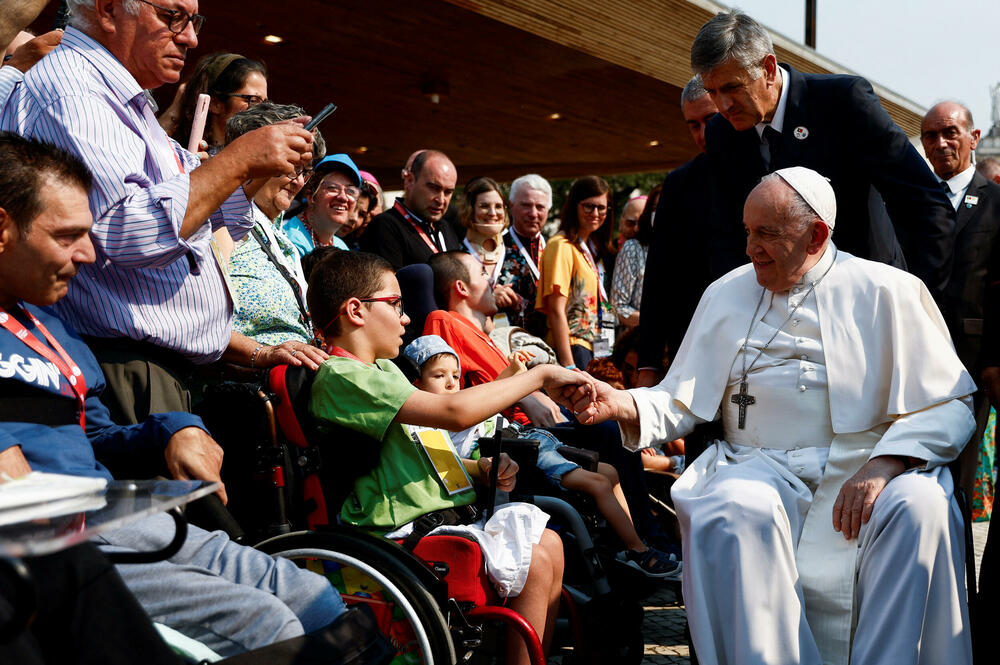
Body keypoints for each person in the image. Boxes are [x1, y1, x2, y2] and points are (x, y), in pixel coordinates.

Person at [565, 166, 975, 665]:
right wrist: (620, 401)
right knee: (734, 508)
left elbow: (949, 402)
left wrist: (888, 464)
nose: (749, 248)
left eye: (766, 234)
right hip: (760, 466)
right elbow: (678, 398)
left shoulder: (889, 291)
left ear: (817, 234)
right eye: (747, 232)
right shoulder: (726, 292)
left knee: (921, 507)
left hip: (869, 462)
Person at [0, 132, 348, 657]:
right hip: (41, 547)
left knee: (317, 596)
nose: (89, 254)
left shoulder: (52, 329)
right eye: (67, 235)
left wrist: (173, 428)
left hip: (114, 516)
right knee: (268, 627)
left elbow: (97, 439)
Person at [0, 0, 320, 427]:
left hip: (152, 372)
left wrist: (249, 169)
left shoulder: (122, 99)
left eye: (194, 20)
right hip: (124, 372)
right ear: (110, 10)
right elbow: (127, 232)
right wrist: (238, 161)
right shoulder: (74, 90)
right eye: (173, 17)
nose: (191, 38)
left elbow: (216, 209)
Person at [305, 250, 592, 665]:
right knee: (541, 549)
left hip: (437, 518)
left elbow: (428, 441)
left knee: (548, 545)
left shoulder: (382, 370)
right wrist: (540, 376)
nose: (406, 318)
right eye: (396, 305)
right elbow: (455, 413)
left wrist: (479, 468)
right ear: (356, 311)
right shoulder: (342, 375)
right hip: (396, 537)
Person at [694, 10, 954, 302]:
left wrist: (918, 303)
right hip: (774, 310)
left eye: (732, 88)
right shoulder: (721, 133)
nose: (723, 105)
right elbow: (724, 235)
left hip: (862, 300)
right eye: (712, 92)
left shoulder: (844, 103)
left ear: (768, 68)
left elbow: (926, 206)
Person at [424, 250, 664, 545]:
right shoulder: (444, 321)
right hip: (511, 436)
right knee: (607, 432)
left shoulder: (487, 334)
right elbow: (448, 396)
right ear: (460, 287)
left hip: (537, 428)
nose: (492, 281)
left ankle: (639, 539)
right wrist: (526, 394)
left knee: (609, 427)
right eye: (483, 275)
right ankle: (646, 543)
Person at [403, 335, 680, 578]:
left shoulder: (458, 401)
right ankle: (638, 550)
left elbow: (485, 397)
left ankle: (625, 545)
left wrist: (513, 370)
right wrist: (479, 466)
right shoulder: (428, 423)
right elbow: (443, 461)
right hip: (515, 451)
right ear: (417, 383)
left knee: (610, 473)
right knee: (597, 483)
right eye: (439, 377)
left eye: (454, 374)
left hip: (528, 437)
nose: (451, 383)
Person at [636, 76, 724, 386]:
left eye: (710, 120)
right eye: (693, 125)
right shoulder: (678, 184)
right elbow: (659, 275)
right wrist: (647, 362)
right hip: (691, 341)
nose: (703, 133)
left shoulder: (768, 171)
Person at [225, 102, 328, 346]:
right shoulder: (220, 218)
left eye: (306, 171)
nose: (299, 181)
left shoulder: (279, 235)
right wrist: (260, 355)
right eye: (292, 166)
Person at [921, 101, 1000, 373]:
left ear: (974, 138)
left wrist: (995, 361)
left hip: (976, 358)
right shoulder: (909, 202)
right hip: (917, 350)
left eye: (950, 133)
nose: (941, 143)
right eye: (931, 136)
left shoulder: (996, 202)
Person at [536, 175, 615, 370]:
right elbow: (556, 308)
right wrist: (569, 364)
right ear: (574, 207)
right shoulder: (561, 245)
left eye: (601, 207)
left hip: (595, 346)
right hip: (572, 347)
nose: (595, 213)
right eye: (588, 206)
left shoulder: (593, 249)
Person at [361, 149, 462, 269]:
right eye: (433, 188)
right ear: (409, 181)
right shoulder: (384, 226)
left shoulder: (445, 227)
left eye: (448, 192)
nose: (441, 199)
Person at [163, 52, 267, 153]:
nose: (262, 110)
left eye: (265, 102)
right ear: (215, 104)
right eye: (253, 100)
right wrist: (175, 110)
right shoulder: (182, 157)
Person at [496, 173, 552, 335]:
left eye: (540, 207)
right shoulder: (495, 247)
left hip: (553, 338)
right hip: (512, 341)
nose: (533, 213)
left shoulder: (556, 248)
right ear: (511, 206)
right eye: (526, 205)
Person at [281, 153, 363, 257]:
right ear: (311, 196)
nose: (343, 197)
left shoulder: (341, 247)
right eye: (332, 188)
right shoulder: (289, 242)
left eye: (350, 191)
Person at [459, 176, 519, 315]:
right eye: (484, 206)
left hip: (516, 334)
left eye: (498, 206)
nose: (493, 213)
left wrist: (517, 300)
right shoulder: (458, 259)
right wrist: (490, 299)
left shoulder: (518, 256)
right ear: (470, 209)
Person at [611, 186, 660, 331]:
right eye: (631, 222)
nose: (636, 228)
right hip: (638, 338)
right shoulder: (632, 248)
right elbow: (618, 306)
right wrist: (657, 320)